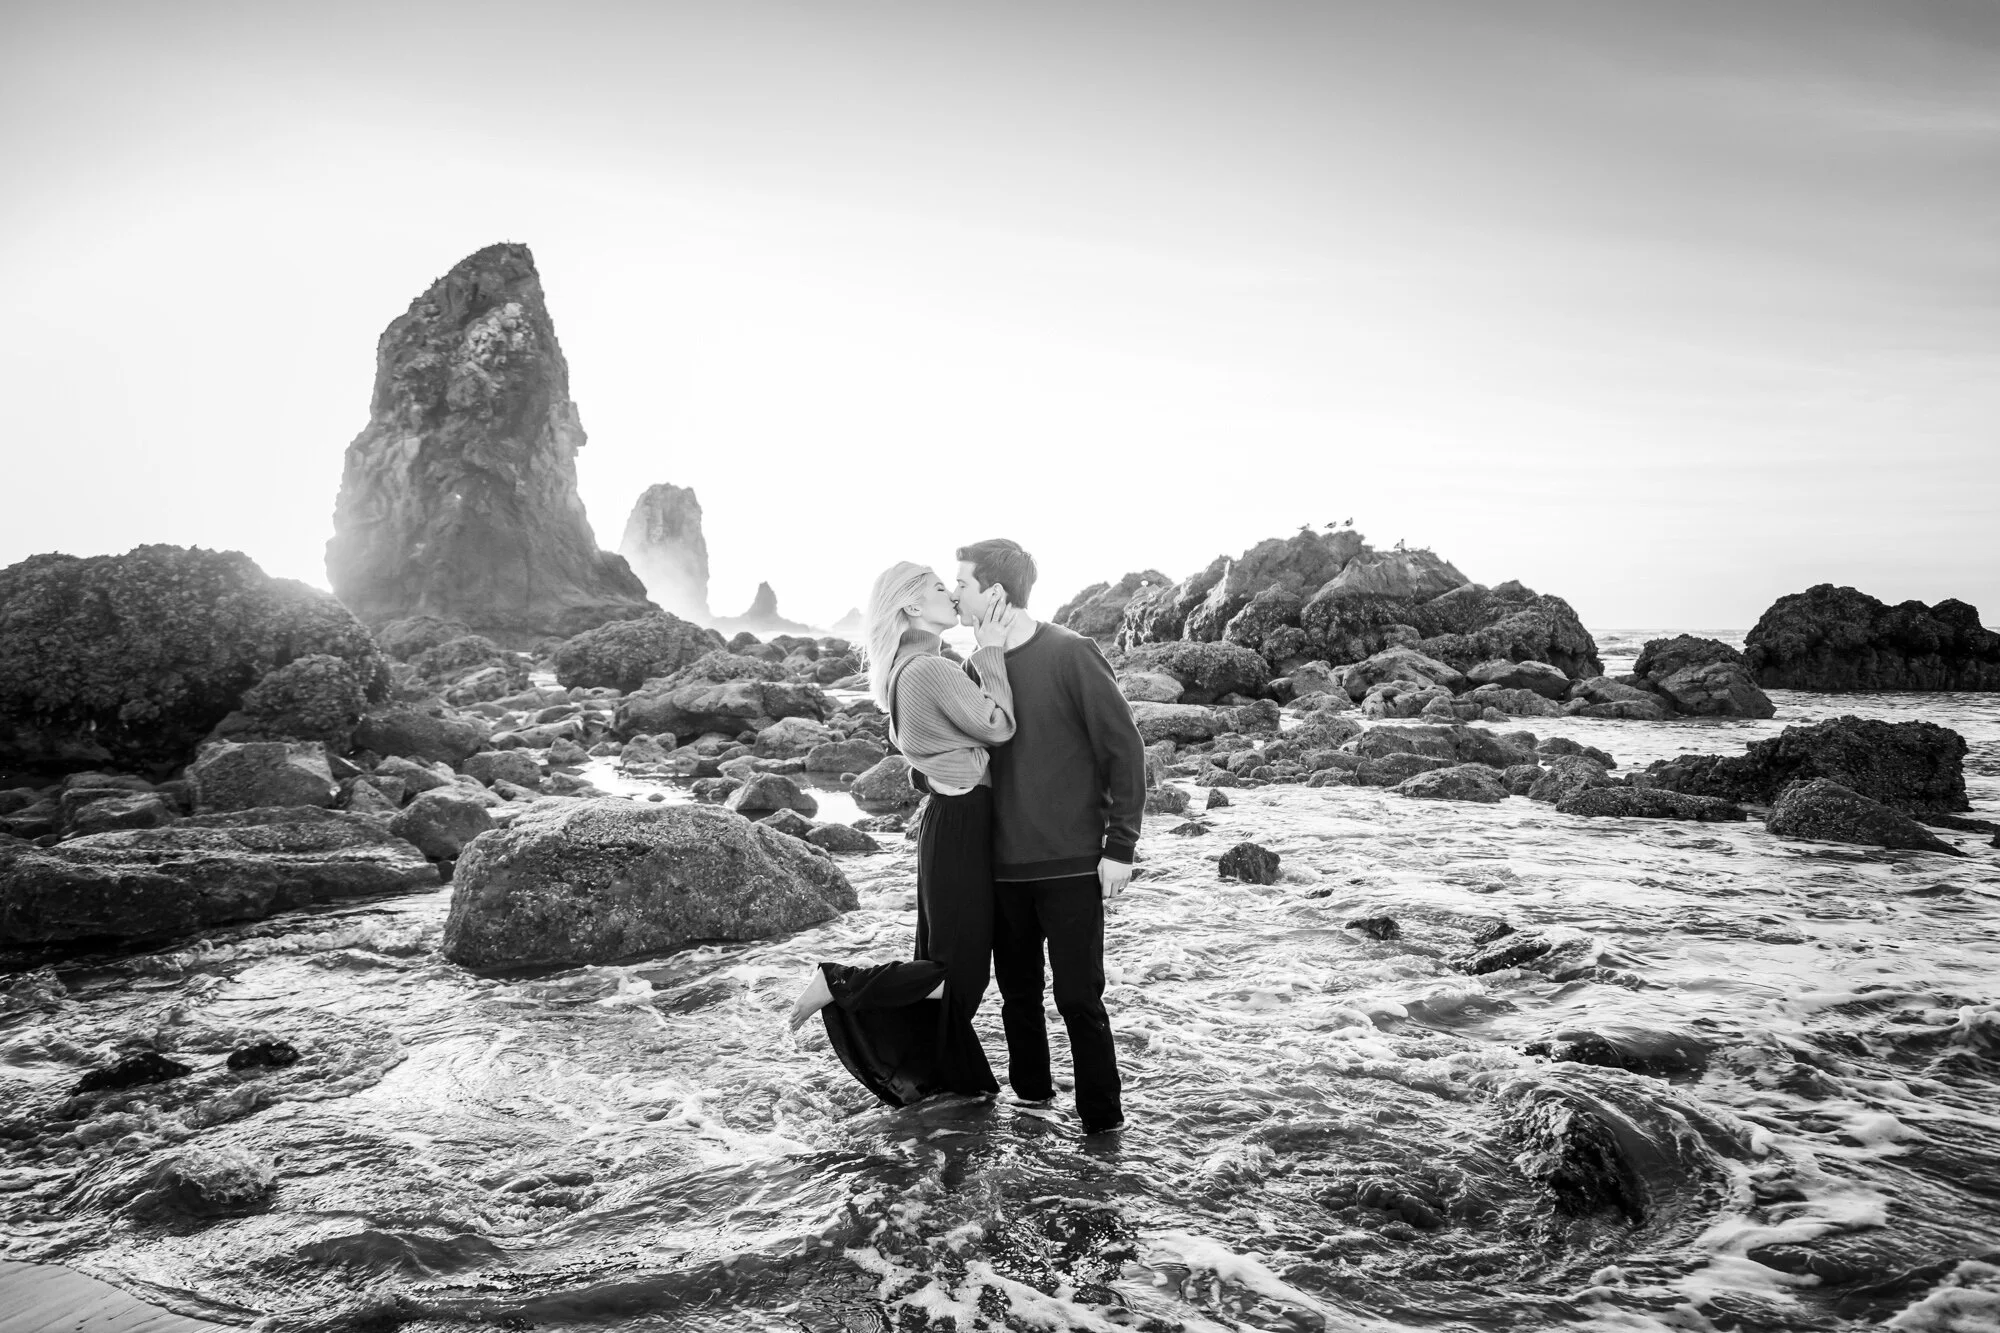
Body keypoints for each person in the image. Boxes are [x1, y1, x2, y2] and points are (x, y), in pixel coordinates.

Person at [789, 561, 1018, 1107]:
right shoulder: (928, 670)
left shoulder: (913, 668)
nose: (952, 595)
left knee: (950, 975)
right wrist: (990, 653)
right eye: (941, 588)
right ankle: (840, 981)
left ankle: (945, 1084)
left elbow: (926, 751)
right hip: (960, 825)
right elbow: (999, 727)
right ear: (912, 607)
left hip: (950, 822)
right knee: (956, 978)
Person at [953, 538, 1145, 1135]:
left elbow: (1125, 749)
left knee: (1080, 1001)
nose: (954, 593)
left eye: (961, 583)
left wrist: (1120, 848)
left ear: (995, 593)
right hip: (1002, 868)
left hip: (1070, 865)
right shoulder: (973, 668)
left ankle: (1103, 1129)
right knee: (1016, 1000)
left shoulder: (1070, 653)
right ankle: (1032, 1111)